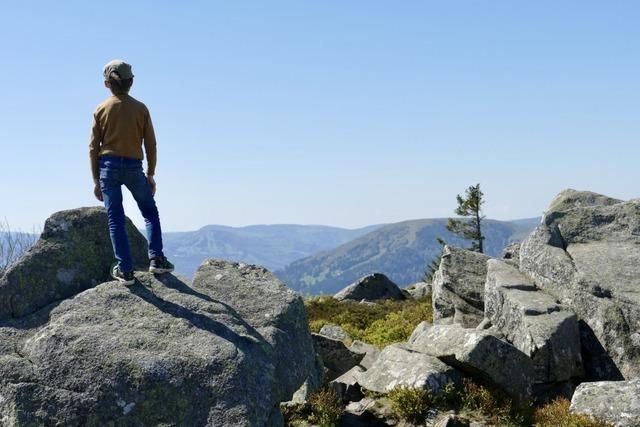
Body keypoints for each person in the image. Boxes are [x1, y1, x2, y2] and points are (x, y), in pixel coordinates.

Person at [89, 59, 174, 284]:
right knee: (149, 211)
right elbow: (151, 144)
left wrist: (96, 179)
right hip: (134, 167)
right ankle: (156, 259)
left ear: (107, 84)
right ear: (132, 82)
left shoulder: (101, 109)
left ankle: (125, 270)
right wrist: (151, 174)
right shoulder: (141, 109)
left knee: (115, 219)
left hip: (108, 167)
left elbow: (93, 147)